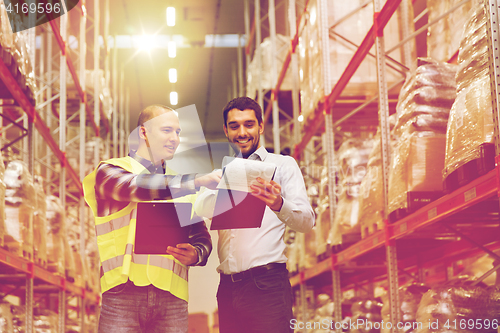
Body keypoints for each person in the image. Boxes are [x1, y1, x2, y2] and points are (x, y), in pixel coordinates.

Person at [83, 104, 221, 333]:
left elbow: (201, 235)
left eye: (178, 132)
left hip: (172, 298)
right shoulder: (110, 171)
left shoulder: (178, 182)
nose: (175, 138)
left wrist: (197, 253)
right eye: (167, 130)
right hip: (122, 294)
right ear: (143, 132)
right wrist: (196, 181)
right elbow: (136, 187)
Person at [194, 97, 315, 333]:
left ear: (260, 126)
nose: (242, 132)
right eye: (234, 126)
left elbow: (307, 222)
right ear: (226, 131)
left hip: (266, 285)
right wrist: (230, 192)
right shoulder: (221, 173)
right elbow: (200, 206)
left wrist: (279, 204)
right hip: (228, 288)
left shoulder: (283, 165)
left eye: (249, 124)